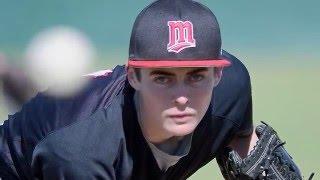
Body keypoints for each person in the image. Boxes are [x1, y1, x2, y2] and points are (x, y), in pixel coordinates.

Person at [0, 0, 303, 179]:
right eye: (163, 78)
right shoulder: (80, 151)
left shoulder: (232, 93)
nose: (182, 96)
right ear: (133, 77)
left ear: (217, 76)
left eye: (196, 76)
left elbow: (247, 151)